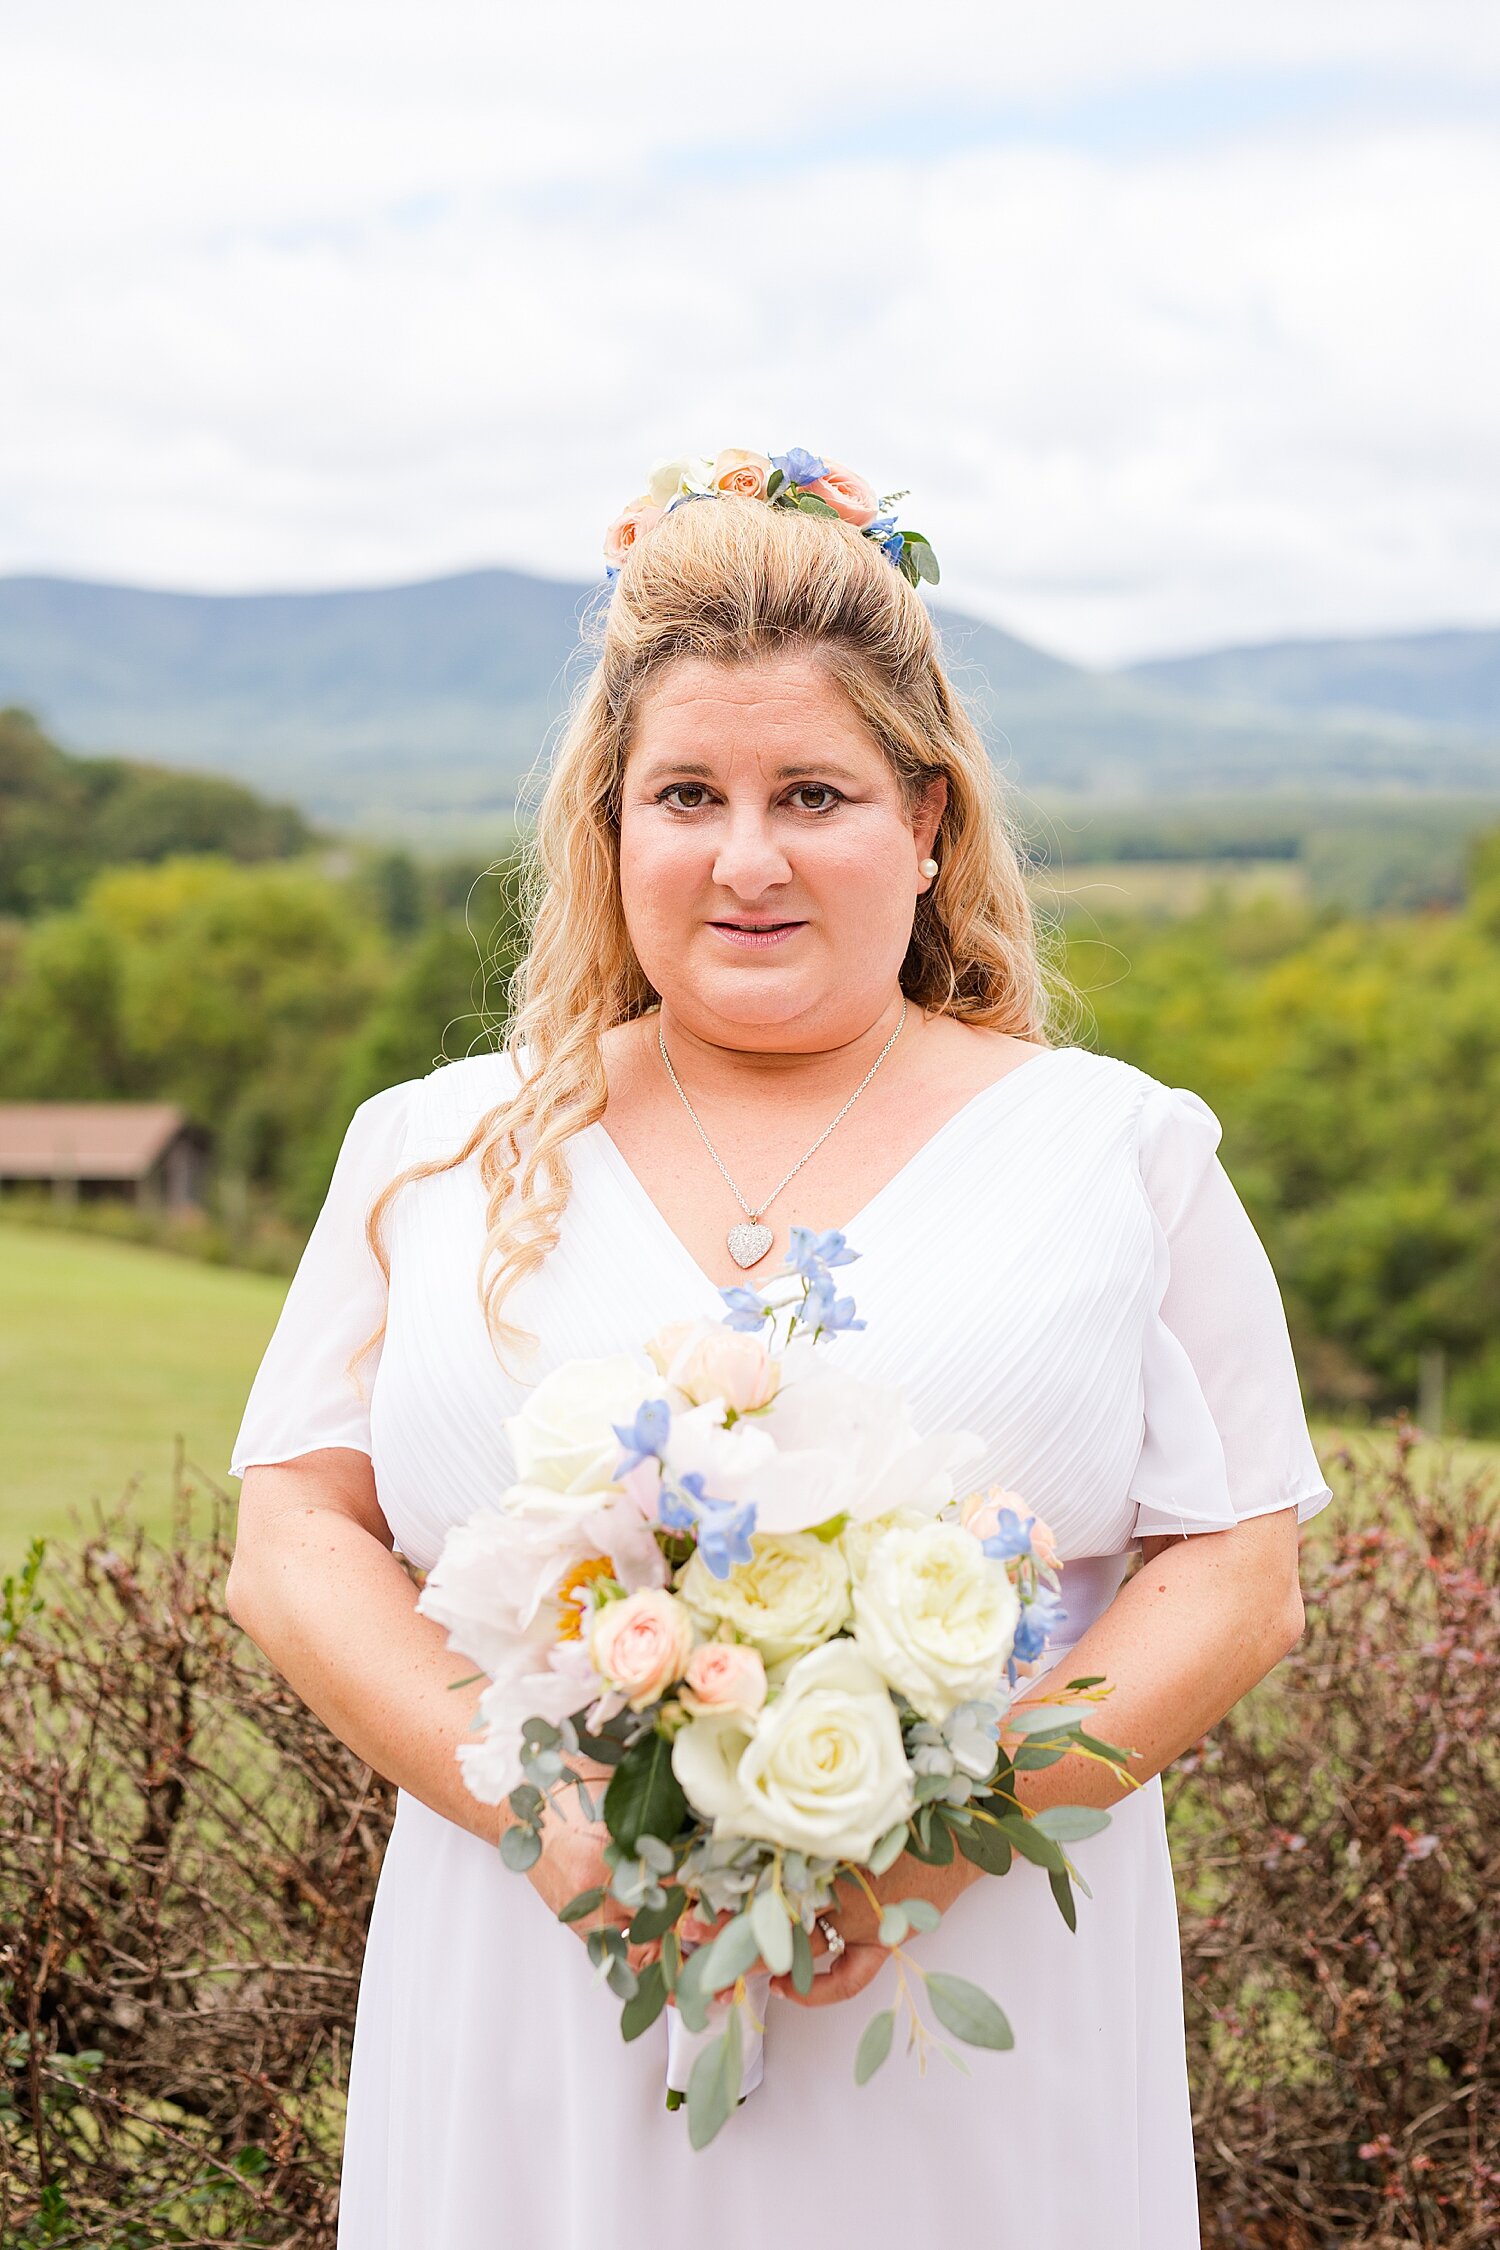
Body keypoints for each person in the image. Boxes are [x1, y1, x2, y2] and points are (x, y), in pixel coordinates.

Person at [226, 457, 1333, 2250]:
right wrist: (548, 1818)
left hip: (961, 2027)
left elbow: (1242, 1575)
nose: (747, 856)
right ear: (609, 830)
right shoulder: (434, 1146)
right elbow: (289, 1543)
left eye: (812, 792)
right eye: (688, 794)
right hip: (535, 1992)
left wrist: (936, 1842)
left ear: (930, 824)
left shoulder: (1120, 1150)